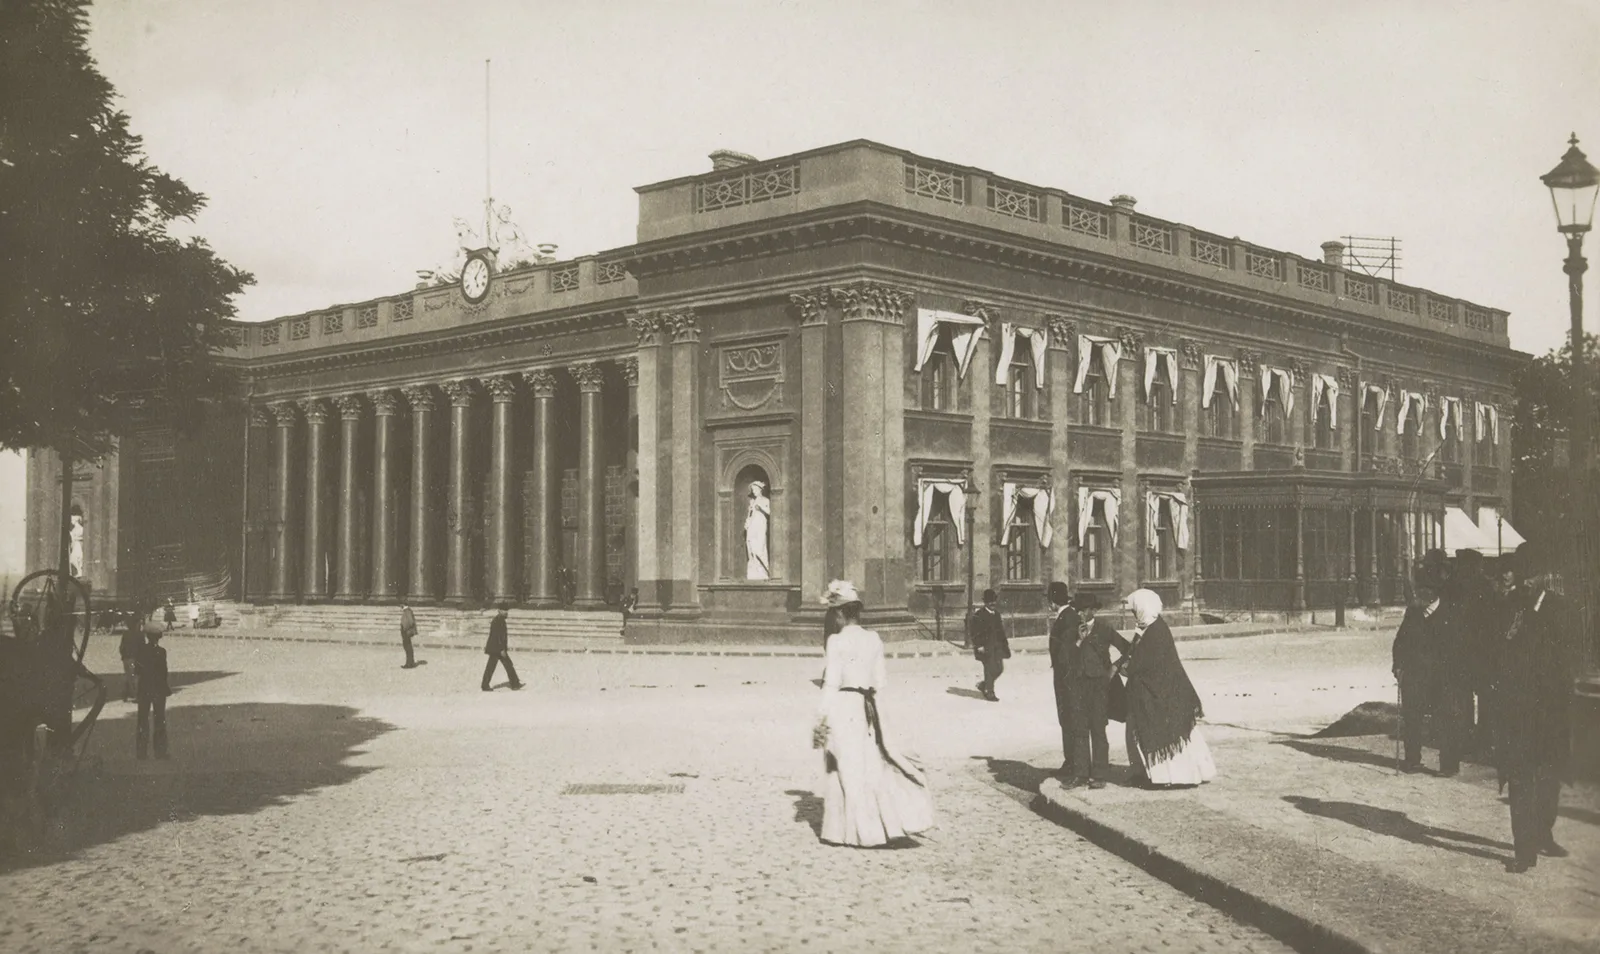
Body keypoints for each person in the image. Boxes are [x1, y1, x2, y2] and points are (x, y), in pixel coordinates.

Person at [815, 580, 934, 847]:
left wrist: (821, 715)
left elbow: (831, 681)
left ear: (840, 613)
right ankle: (884, 827)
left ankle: (849, 831)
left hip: (844, 705)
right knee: (870, 765)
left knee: (844, 766)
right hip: (868, 706)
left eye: (834, 612)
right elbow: (880, 680)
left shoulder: (835, 641)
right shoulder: (873, 639)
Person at [1495, 541, 1573, 874]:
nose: (1525, 581)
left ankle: (1543, 833)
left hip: (1551, 709)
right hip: (1518, 709)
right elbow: (1497, 653)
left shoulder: (1559, 609)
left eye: (1531, 575)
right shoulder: (1509, 607)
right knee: (1520, 778)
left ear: (1544, 577)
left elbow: (1568, 660)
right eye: (1523, 574)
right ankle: (1523, 850)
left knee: (1549, 776)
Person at [1120, 589, 1215, 787]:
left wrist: (1126, 667)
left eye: (1135, 611)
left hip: (1162, 696)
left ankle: (1171, 777)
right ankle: (1151, 773)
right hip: (1161, 693)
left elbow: (1141, 665)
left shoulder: (1155, 632)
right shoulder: (1152, 628)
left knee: (1164, 736)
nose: (1134, 615)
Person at [1060, 592, 1130, 789]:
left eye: (1084, 610)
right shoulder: (1070, 632)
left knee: (1098, 730)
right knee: (1079, 730)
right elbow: (1063, 659)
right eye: (1078, 610)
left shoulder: (1105, 629)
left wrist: (1115, 668)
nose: (1080, 614)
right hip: (1077, 687)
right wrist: (1078, 641)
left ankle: (1099, 775)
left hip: (1099, 687)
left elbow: (1127, 648)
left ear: (1093, 611)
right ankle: (1080, 774)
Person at [1392, 582, 1463, 775]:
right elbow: (1400, 641)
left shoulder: (1450, 614)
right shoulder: (1413, 612)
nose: (1414, 596)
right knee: (1412, 718)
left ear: (1431, 593)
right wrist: (1397, 666)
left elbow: (1458, 650)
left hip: (1442, 678)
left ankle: (1449, 765)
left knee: (1445, 720)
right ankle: (1412, 760)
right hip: (1414, 676)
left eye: (1418, 592)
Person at [1046, 581, 1081, 776]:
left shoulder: (1067, 618)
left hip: (1067, 680)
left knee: (1069, 719)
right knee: (1066, 719)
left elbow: (1066, 651)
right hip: (1064, 678)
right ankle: (1070, 761)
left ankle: (1073, 763)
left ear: (1052, 601)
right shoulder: (1067, 616)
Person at [135, 629, 171, 760]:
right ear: (159, 638)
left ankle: (141, 752)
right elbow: (164, 671)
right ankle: (160, 751)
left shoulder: (141, 651)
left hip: (144, 687)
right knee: (159, 719)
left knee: (142, 720)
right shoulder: (161, 652)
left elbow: (137, 671)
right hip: (159, 689)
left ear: (147, 636)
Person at [969, 589, 1008, 702]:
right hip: (985, 647)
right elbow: (974, 632)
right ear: (985, 602)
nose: (992, 604)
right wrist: (979, 645)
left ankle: (984, 685)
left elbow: (1000, 631)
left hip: (997, 647)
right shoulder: (979, 615)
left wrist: (1004, 644)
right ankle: (990, 692)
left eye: (994, 601)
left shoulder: (996, 614)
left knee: (999, 669)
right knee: (989, 669)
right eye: (990, 601)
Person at [481, 603, 523, 692]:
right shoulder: (498, 621)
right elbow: (497, 636)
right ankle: (514, 684)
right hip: (497, 649)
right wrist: (501, 649)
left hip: (496, 648)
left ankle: (515, 684)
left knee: (506, 665)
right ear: (499, 611)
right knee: (497, 666)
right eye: (504, 610)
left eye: (507, 610)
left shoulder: (500, 620)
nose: (506, 612)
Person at [118, 616, 144, 702]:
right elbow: (142, 647)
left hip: (126, 658)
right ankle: (136, 696)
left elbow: (121, 647)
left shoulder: (126, 634)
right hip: (135, 658)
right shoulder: (140, 634)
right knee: (136, 677)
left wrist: (123, 655)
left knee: (128, 676)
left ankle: (125, 694)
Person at [399, 602, 418, 669]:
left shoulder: (407, 611)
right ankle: (410, 662)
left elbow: (410, 621)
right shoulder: (407, 611)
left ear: (403, 605)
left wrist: (405, 628)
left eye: (401, 605)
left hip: (406, 632)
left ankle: (409, 664)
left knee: (407, 648)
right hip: (406, 632)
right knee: (408, 647)